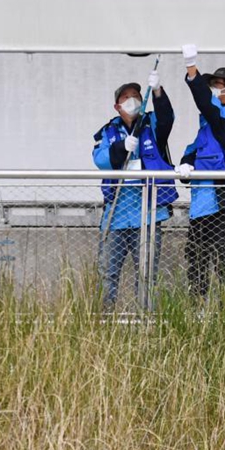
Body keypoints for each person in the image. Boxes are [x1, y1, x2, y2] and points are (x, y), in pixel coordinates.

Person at [93, 70, 177, 309]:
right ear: (117, 106)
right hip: (116, 216)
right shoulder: (108, 132)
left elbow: (167, 117)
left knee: (147, 276)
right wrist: (122, 146)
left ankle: (146, 325)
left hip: (148, 217)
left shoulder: (151, 124)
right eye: (127, 97)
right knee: (107, 275)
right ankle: (103, 322)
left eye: (137, 96)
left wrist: (158, 92)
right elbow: (100, 160)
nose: (133, 101)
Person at [177, 44, 225, 299]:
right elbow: (193, 150)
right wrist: (185, 163)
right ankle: (198, 311)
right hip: (201, 204)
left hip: (224, 201)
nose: (214, 89)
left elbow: (205, 103)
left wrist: (191, 69)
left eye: (218, 84)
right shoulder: (208, 124)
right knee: (196, 258)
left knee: (224, 257)